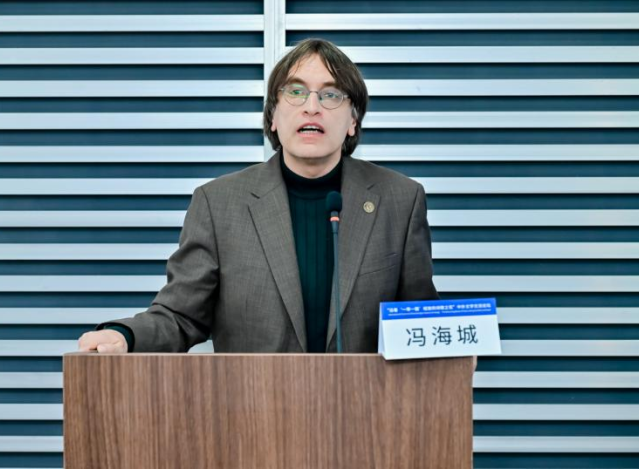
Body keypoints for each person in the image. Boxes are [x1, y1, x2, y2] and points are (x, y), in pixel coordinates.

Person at [77, 38, 471, 366]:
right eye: (295, 92)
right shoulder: (218, 204)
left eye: (330, 94)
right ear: (273, 117)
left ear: (353, 120)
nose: (312, 106)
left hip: (365, 417)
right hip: (253, 416)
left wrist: (452, 353)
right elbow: (180, 316)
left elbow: (417, 317)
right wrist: (125, 335)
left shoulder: (399, 199)